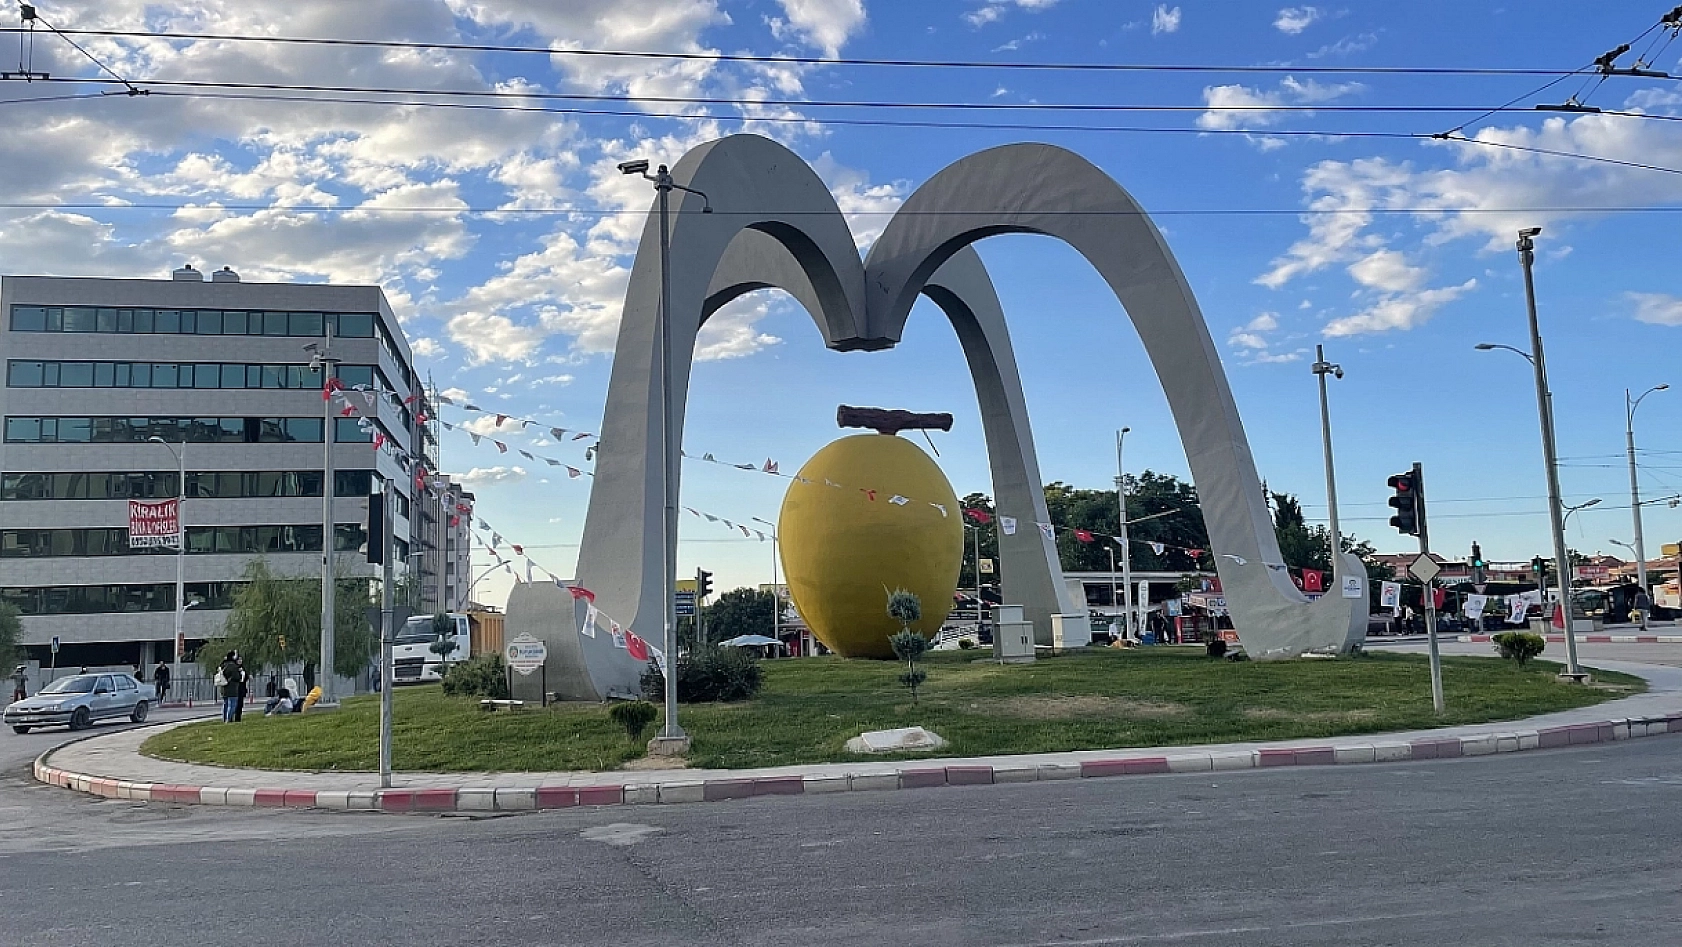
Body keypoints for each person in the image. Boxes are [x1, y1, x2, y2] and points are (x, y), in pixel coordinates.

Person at [217, 651, 241, 723]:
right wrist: (240, 674)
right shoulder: (233, 666)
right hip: (232, 688)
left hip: (224, 688)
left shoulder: (223, 665)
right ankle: (229, 719)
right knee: (232, 704)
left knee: (225, 704)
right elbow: (236, 677)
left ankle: (224, 719)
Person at [232, 656, 248, 722]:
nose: (240, 661)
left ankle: (238, 717)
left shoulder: (243, 668)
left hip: (242, 688)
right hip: (236, 688)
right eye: (239, 659)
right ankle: (234, 717)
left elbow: (245, 677)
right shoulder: (235, 668)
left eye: (241, 659)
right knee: (236, 704)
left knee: (240, 704)